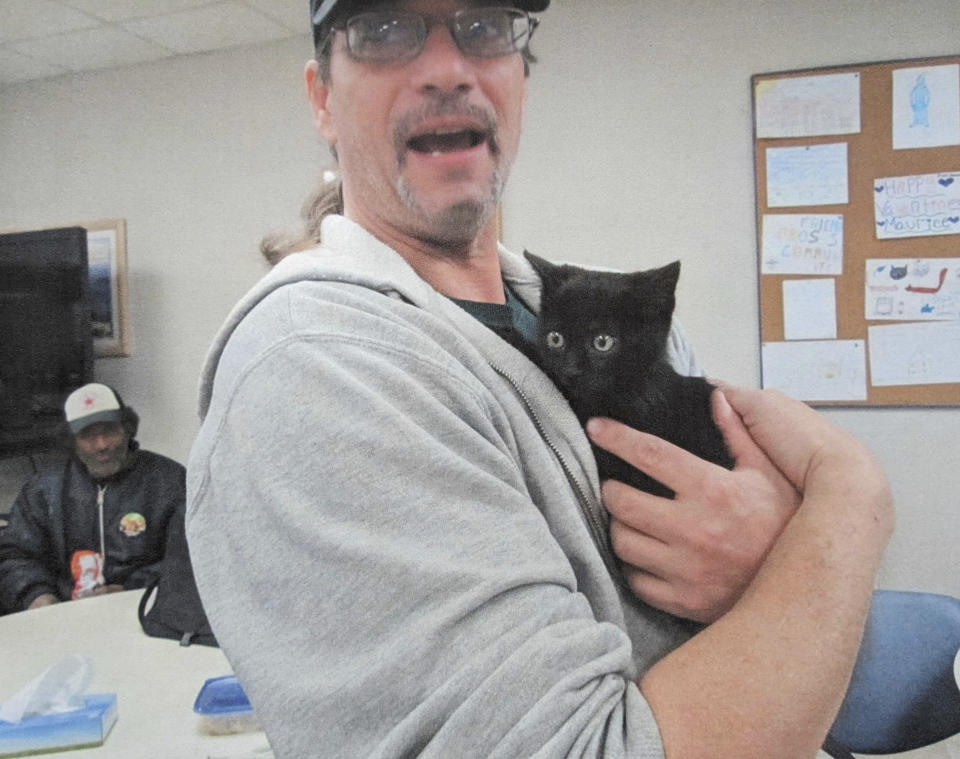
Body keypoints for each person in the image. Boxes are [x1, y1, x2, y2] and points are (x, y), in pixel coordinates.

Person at [185, 2, 893, 757]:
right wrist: (849, 499)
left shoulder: (576, 311)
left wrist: (768, 560)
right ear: (322, 96)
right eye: (385, 30)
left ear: (519, 76)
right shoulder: (315, 368)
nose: (449, 68)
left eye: (484, 25)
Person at [0, 383, 185, 613]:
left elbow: (191, 558)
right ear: (71, 442)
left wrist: (133, 588)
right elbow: (16, 556)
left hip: (148, 610)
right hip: (65, 616)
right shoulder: (43, 490)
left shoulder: (171, 481)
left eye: (110, 430)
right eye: (88, 435)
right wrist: (38, 596)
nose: (102, 445)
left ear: (128, 429)